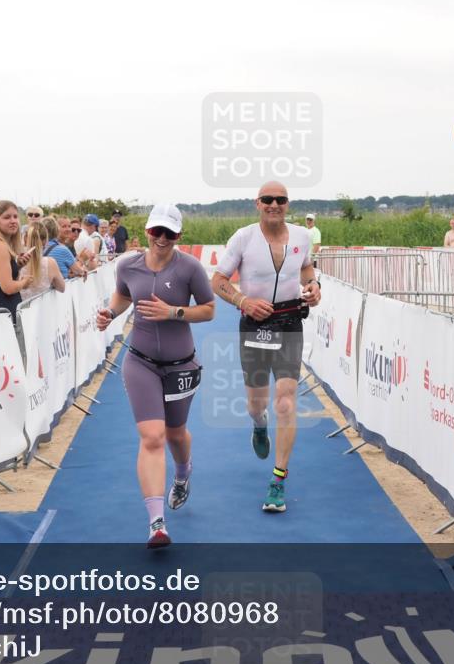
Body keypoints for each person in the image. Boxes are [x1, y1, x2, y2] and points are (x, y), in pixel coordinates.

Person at [96, 204, 215, 548]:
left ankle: (182, 475)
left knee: (176, 434)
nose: (162, 239)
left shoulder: (189, 267)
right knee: (152, 436)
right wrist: (109, 312)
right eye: (156, 232)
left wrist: (174, 312)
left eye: (170, 234)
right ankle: (156, 523)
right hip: (141, 362)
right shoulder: (127, 265)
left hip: (181, 365)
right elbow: (121, 296)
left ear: (179, 236)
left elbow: (209, 309)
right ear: (147, 231)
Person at [210, 181, 322, 513]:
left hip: (290, 323)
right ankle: (259, 427)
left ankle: (278, 480)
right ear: (257, 203)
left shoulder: (301, 236)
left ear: (288, 204)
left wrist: (313, 286)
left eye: (281, 200)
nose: (275, 204)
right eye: (268, 199)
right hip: (255, 325)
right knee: (255, 404)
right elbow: (217, 281)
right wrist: (244, 301)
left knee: (285, 402)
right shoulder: (243, 238)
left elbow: (305, 268)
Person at [0, 199, 33, 321]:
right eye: (7, 217)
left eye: (15, 216)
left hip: (4, 310)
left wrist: (17, 266)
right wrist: (24, 282)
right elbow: (7, 288)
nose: (13, 221)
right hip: (4, 313)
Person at [20, 221, 67, 300]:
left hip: (19, 310)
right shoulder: (50, 263)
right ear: (45, 242)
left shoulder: (16, 261)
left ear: (25, 240)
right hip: (42, 309)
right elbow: (62, 288)